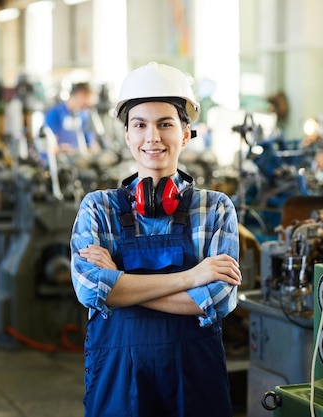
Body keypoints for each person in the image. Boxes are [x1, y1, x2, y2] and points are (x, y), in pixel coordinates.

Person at [70, 62, 243, 417]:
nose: (153, 137)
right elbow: (90, 290)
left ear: (185, 133)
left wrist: (119, 287)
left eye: (165, 124)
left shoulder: (215, 208)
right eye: (140, 125)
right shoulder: (98, 208)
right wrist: (191, 278)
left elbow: (217, 300)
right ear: (127, 136)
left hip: (194, 386)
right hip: (119, 386)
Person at [44, 82, 99, 153]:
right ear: (80, 95)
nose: (88, 105)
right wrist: (61, 149)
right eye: (87, 102)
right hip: (57, 160)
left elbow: (90, 143)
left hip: (77, 160)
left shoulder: (83, 115)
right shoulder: (55, 113)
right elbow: (48, 144)